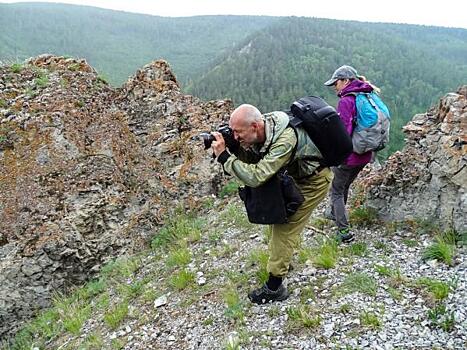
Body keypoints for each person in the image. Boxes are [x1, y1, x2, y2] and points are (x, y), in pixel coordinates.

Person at [210, 104, 332, 304]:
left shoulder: (284, 140)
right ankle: (284, 260)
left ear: (255, 126)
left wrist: (225, 158)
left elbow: (257, 175)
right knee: (279, 222)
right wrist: (234, 147)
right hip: (296, 178)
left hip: (314, 182)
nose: (236, 136)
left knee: (284, 229)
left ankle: (275, 287)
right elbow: (254, 159)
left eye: (238, 132)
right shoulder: (264, 129)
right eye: (233, 132)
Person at [324, 65, 378, 243]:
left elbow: (344, 133)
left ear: (346, 81)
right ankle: (336, 213)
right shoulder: (367, 95)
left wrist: (333, 153)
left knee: (336, 190)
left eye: (336, 82)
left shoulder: (347, 100)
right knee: (344, 185)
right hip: (365, 154)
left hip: (350, 155)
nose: (334, 87)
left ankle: (343, 231)